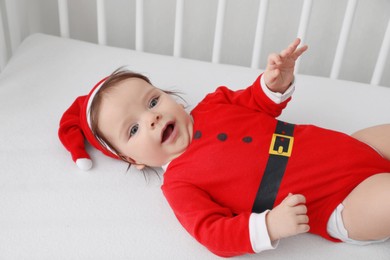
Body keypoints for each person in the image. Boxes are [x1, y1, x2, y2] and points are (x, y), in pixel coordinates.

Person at [58, 38, 390, 257]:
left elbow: (257, 101)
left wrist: (275, 82)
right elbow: (212, 233)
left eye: (153, 100)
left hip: (349, 146)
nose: (153, 118)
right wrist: (270, 225)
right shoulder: (180, 185)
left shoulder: (214, 104)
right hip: (336, 202)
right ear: (134, 160)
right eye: (133, 129)